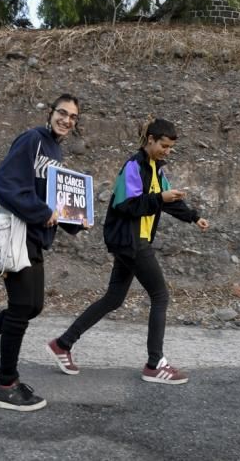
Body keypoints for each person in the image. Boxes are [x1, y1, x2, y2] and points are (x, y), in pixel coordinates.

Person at [0, 93, 88, 411]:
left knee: (32, 306)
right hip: (17, 233)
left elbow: (52, 200)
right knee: (22, 305)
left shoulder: (56, 150)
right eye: (61, 113)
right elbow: (5, 183)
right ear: (50, 113)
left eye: (72, 117)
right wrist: (39, 211)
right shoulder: (32, 139)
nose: (66, 119)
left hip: (34, 236)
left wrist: (77, 221)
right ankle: (5, 384)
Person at [46, 117, 209, 384]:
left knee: (114, 298)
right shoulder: (134, 166)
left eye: (170, 148)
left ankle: (63, 344)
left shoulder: (157, 169)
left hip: (133, 241)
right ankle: (155, 364)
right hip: (130, 241)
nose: (167, 151)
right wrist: (160, 199)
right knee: (160, 296)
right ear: (150, 140)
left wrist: (193, 216)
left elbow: (167, 202)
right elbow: (127, 205)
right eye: (164, 146)